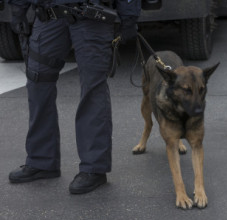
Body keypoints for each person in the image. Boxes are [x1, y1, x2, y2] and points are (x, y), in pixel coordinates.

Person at [8, 0, 141, 194]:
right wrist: (18, 9)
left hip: (90, 15)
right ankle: (41, 161)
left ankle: (93, 168)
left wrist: (129, 16)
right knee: (38, 81)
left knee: (92, 89)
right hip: (49, 14)